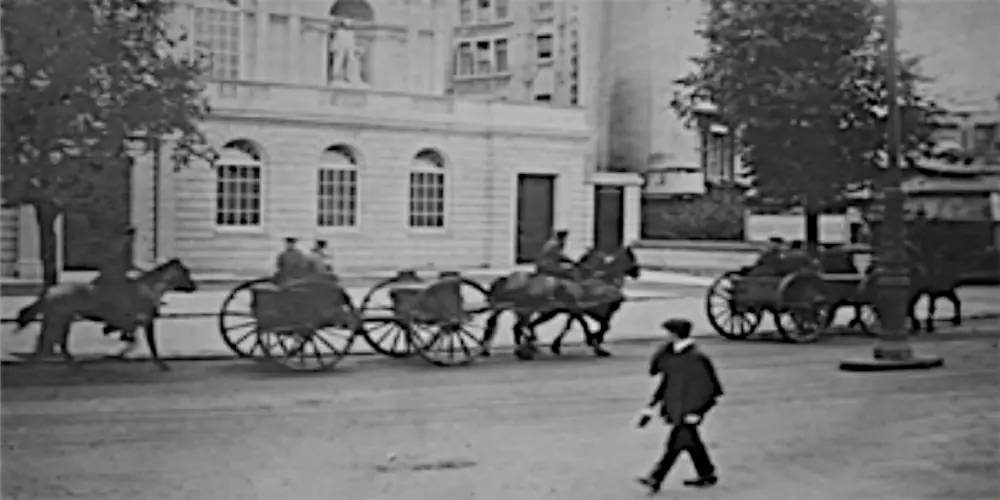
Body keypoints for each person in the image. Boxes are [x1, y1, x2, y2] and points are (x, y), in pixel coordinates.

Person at [636, 318, 724, 493]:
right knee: (691, 443)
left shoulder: (697, 359)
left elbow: (711, 389)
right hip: (677, 409)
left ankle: (656, 477)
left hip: (689, 410)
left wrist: (698, 412)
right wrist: (651, 407)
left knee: (675, 444)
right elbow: (664, 381)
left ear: (675, 334)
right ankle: (706, 473)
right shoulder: (671, 355)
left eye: (668, 333)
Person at [93, 227, 141, 341]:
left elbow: (128, 264)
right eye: (130, 236)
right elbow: (108, 262)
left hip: (119, 277)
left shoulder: (125, 247)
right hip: (111, 278)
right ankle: (115, 326)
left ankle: (122, 329)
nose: (132, 239)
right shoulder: (118, 246)